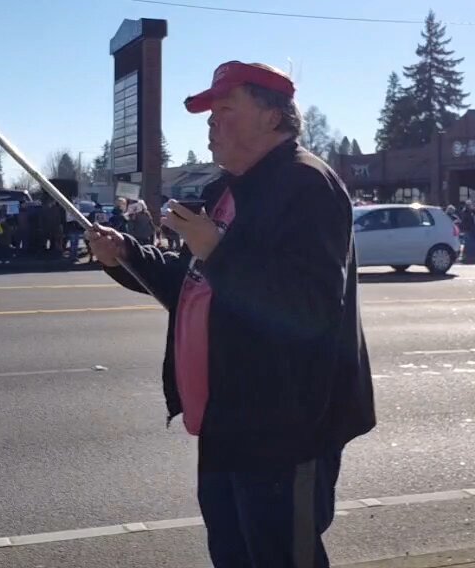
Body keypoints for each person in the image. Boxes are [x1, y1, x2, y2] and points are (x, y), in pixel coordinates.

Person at [86, 60, 375, 568]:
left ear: (272, 116)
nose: (211, 123)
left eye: (225, 109)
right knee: (233, 552)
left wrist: (219, 251)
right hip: (225, 420)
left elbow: (307, 306)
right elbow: (193, 286)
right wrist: (125, 255)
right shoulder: (227, 191)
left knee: (283, 555)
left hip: (284, 427)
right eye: (209, 113)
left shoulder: (305, 184)